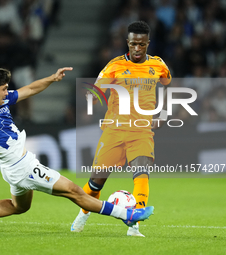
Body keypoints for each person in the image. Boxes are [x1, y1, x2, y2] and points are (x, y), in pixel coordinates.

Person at [0, 65, 154, 232]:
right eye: (4, 89)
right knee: (74, 192)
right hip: (23, 166)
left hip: (12, 168)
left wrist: (52, 78)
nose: (7, 92)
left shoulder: (3, 99)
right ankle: (128, 215)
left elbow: (30, 89)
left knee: (19, 207)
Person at [71, 21, 171, 237]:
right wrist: (93, 97)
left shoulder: (158, 65)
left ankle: (134, 226)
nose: (137, 48)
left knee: (142, 173)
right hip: (114, 131)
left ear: (148, 43)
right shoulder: (114, 65)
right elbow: (97, 89)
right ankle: (83, 213)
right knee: (95, 183)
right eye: (133, 44)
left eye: (141, 44)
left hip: (142, 131)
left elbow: (166, 86)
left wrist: (163, 111)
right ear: (128, 42)